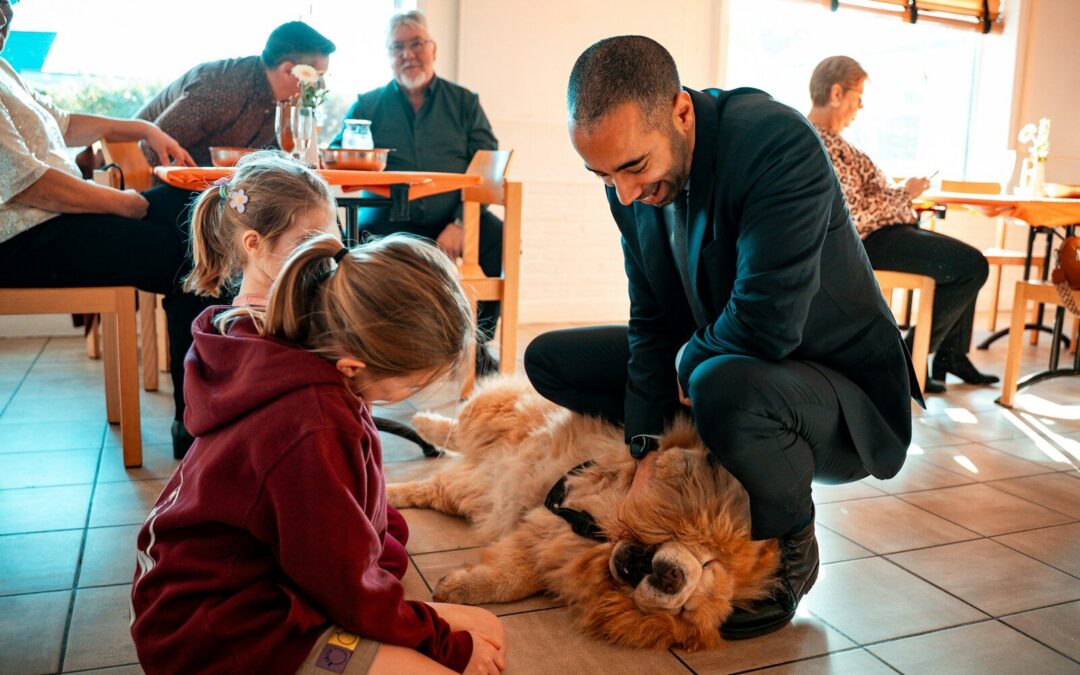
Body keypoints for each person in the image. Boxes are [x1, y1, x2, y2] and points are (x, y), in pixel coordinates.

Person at [524, 36, 921, 639]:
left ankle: (792, 549)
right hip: (731, 368)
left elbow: (766, 324)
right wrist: (644, 448)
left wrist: (686, 360)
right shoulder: (628, 185)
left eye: (632, 168)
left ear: (682, 113)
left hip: (839, 397)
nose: (624, 194)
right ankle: (707, 447)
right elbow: (652, 317)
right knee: (550, 360)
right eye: (602, 175)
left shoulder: (777, 142)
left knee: (716, 379)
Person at [130, 233, 508, 675]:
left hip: (269, 594)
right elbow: (344, 585)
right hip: (222, 635)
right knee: (461, 662)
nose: (407, 396)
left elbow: (355, 529)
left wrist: (393, 600)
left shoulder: (318, 369)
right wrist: (443, 644)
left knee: (487, 630)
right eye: (408, 385)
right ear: (355, 366)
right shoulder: (312, 425)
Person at [0, 0, 217, 459]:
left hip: (54, 223)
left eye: (7, 6)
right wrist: (127, 204)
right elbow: (31, 184)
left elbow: (63, 124)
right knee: (190, 257)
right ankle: (199, 425)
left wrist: (142, 127)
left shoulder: (3, 69)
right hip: (21, 240)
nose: (3, 17)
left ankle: (206, 410)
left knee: (193, 210)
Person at [806, 56, 997, 394]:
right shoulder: (817, 141)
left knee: (961, 262)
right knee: (971, 266)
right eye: (858, 95)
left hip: (885, 233)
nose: (861, 106)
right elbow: (853, 213)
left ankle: (946, 356)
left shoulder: (832, 140)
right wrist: (904, 195)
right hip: (871, 241)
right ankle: (910, 357)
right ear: (836, 93)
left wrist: (903, 194)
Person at [330, 10, 501, 375]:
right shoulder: (368, 104)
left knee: (495, 235)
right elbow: (336, 158)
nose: (408, 54)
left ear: (433, 49)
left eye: (416, 44)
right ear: (388, 55)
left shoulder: (464, 103)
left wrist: (460, 222)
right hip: (388, 217)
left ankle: (478, 345)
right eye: (398, 47)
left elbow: (488, 166)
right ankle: (378, 348)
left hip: (452, 217)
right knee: (356, 244)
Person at [135, 21, 336, 168]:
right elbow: (149, 150)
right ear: (287, 71)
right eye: (316, 77)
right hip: (147, 183)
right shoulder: (222, 87)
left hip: (210, 192)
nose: (321, 86)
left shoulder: (282, 105)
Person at [183, 150, 340, 308]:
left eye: (320, 239)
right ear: (254, 243)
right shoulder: (254, 326)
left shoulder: (284, 310)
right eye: (304, 243)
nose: (320, 253)